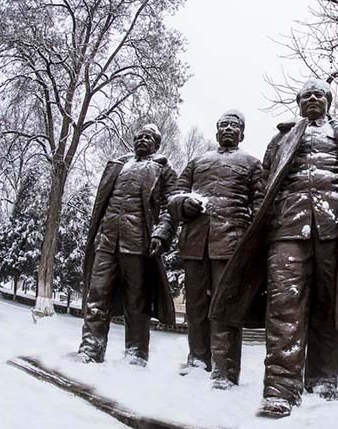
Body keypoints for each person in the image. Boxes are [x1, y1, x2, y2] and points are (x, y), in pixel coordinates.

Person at [209, 79, 338, 418]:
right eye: (306, 95)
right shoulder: (282, 139)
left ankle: (323, 379)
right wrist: (260, 224)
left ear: (329, 101)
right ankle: (279, 387)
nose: (312, 98)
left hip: (336, 230)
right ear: (298, 102)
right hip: (288, 230)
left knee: (328, 305)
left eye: (318, 94)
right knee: (283, 306)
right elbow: (264, 186)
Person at [170, 110, 263, 389]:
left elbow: (259, 204)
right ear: (216, 131)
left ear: (242, 133)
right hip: (195, 243)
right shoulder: (198, 161)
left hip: (231, 245)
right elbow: (174, 194)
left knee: (225, 308)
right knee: (196, 306)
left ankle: (225, 369)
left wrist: (251, 241)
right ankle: (198, 360)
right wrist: (182, 203)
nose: (228, 129)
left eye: (234, 126)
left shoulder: (252, 164)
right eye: (223, 125)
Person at [77, 124, 177, 366]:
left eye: (149, 137)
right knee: (97, 295)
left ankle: (135, 355)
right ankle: (90, 349)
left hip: (138, 243)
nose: (143, 139)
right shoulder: (117, 166)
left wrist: (162, 234)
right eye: (139, 136)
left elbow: (170, 207)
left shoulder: (162, 169)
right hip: (108, 240)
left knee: (136, 302)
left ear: (156, 144)